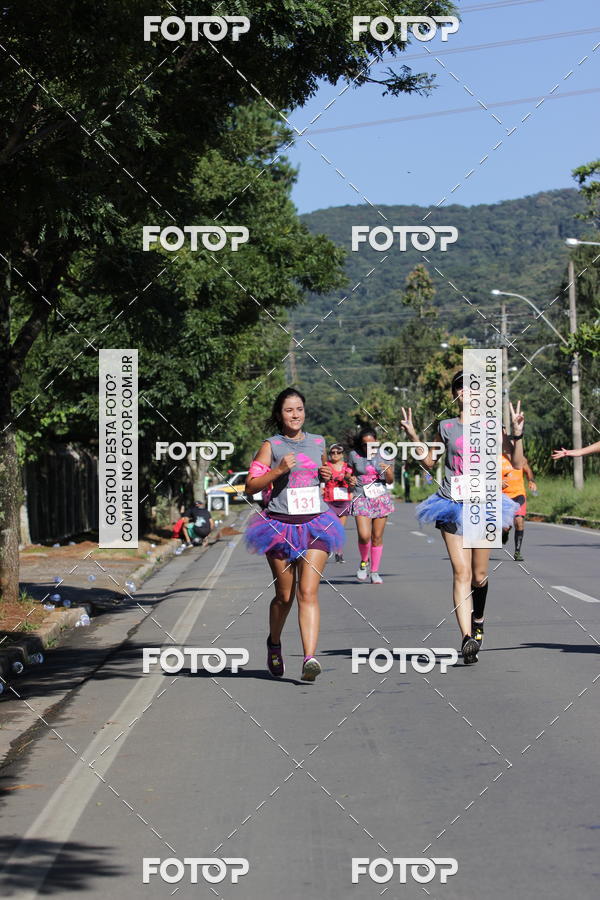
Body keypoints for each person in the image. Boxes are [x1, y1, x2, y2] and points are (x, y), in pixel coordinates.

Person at [401, 372, 524, 665]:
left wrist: (517, 433)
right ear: (455, 394)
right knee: (461, 572)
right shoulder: (446, 427)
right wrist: (413, 436)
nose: (466, 392)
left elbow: (517, 462)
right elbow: (429, 462)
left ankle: (478, 619)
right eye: (461, 387)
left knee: (479, 576)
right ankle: (467, 637)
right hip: (451, 503)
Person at [244, 388, 344, 682]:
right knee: (284, 595)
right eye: (289, 410)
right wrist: (277, 470)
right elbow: (250, 486)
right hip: (279, 526)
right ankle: (274, 642)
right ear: (279, 415)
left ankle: (309, 658)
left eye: (299, 409)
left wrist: (326, 475)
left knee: (308, 592)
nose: (295, 415)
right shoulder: (271, 446)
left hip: (315, 523)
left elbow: (321, 472)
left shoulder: (317, 442)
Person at [348, 427, 395, 584]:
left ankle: (374, 571)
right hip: (361, 497)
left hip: (380, 498)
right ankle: (363, 563)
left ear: (377, 442)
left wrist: (387, 471)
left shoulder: (386, 455)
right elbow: (349, 474)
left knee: (376, 537)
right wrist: (350, 480)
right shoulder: (354, 455)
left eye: (371, 445)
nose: (368, 448)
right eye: (364, 445)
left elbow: (390, 481)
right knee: (364, 535)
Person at [501, 429, 537, 561]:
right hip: (504, 497)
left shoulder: (521, 459)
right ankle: (504, 533)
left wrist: (531, 481)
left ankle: (517, 551)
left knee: (519, 522)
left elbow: (528, 470)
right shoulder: (497, 459)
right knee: (505, 527)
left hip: (519, 495)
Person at [322, 443, 355, 563]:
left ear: (342, 454)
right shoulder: (326, 465)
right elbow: (322, 480)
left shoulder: (347, 467)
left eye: (338, 452)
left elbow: (350, 480)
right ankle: (327, 550)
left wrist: (351, 485)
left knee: (340, 528)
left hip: (343, 500)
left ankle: (339, 553)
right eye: (333, 452)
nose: (335, 455)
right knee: (329, 527)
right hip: (329, 500)